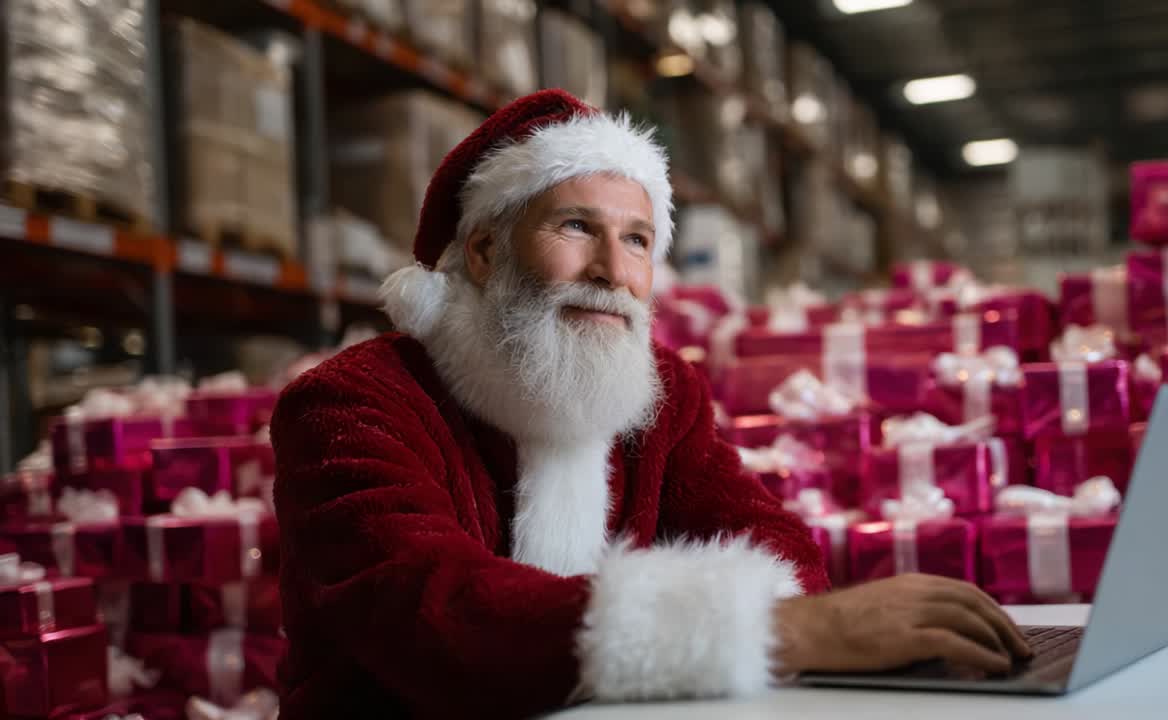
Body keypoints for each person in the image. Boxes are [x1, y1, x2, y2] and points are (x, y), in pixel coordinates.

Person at [270, 90, 1030, 719]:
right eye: (576, 227)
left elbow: (764, 532)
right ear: (483, 250)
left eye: (637, 240)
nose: (612, 271)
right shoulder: (350, 404)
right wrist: (774, 629)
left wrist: (813, 620)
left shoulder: (664, 393)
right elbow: (431, 610)